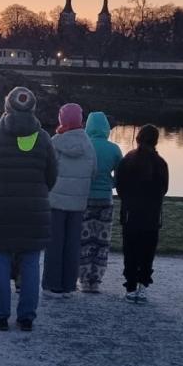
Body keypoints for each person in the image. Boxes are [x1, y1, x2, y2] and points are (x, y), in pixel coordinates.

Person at [0, 87, 57, 332]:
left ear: (7, 107)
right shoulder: (43, 138)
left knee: (0, 258)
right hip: (34, 208)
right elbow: (52, 176)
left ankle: (0, 315)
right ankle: (26, 317)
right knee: (31, 260)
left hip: (0, 207)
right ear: (33, 108)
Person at [42, 103, 96, 298]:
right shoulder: (87, 144)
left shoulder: (54, 142)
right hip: (78, 202)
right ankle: (68, 285)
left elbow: (46, 170)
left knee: (54, 243)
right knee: (73, 244)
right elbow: (94, 171)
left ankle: (52, 284)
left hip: (56, 200)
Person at [115, 125, 169, 304]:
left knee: (130, 251)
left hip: (130, 214)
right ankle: (143, 285)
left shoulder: (128, 160)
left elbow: (120, 186)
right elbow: (164, 189)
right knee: (147, 252)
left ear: (138, 139)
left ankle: (130, 287)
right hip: (152, 215)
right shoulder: (161, 164)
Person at [78, 111, 122, 293]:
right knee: (101, 242)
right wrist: (110, 183)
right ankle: (96, 280)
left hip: (85, 198)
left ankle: (84, 279)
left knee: (85, 240)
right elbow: (120, 176)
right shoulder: (114, 149)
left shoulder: (84, 146)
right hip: (105, 198)